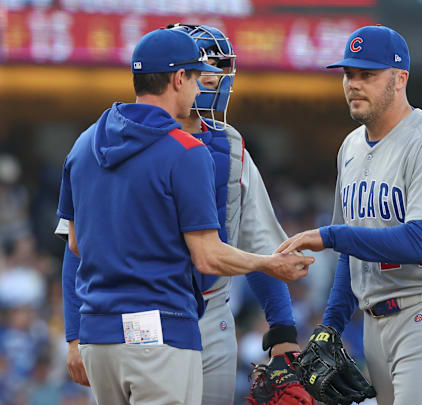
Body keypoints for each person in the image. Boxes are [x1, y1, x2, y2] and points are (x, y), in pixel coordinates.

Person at [56, 28, 312, 404]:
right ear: (179, 78)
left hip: (104, 329)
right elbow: (208, 254)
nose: (204, 84)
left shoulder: (85, 142)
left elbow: (76, 245)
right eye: (197, 75)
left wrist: (78, 333)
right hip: (167, 321)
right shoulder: (186, 151)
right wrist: (270, 265)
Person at [276, 25, 422, 405]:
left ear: (400, 78)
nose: (354, 84)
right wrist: (332, 326)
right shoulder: (350, 147)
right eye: (349, 74)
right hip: (376, 320)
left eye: (367, 75)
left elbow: (421, 243)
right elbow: (350, 255)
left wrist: (332, 235)